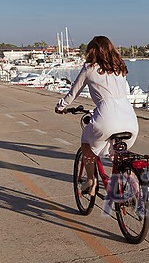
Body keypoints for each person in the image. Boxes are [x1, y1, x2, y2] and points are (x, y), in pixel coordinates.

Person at [55, 36, 139, 196]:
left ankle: (91, 182)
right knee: (118, 152)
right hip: (130, 119)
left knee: (86, 141)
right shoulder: (120, 68)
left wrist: (61, 107)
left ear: (91, 51)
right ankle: (129, 180)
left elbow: (73, 92)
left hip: (106, 118)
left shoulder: (89, 68)